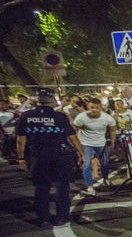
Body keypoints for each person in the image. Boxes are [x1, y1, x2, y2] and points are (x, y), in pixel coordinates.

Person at [15, 88, 85, 226]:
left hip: (38, 156)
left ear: (37, 100)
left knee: (41, 187)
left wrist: (21, 158)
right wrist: (82, 154)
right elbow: (73, 137)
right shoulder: (60, 117)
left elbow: (20, 140)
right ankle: (61, 217)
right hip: (60, 156)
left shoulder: (26, 116)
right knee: (62, 187)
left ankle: (43, 218)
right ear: (53, 100)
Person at [73, 97, 117, 196]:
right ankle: (90, 187)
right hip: (86, 143)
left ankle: (105, 178)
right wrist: (78, 146)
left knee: (105, 163)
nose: (94, 110)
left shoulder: (107, 118)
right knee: (87, 164)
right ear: (88, 106)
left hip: (101, 143)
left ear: (100, 108)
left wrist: (113, 142)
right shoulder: (81, 117)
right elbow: (75, 131)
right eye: (92, 107)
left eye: (97, 107)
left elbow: (113, 129)